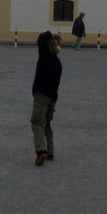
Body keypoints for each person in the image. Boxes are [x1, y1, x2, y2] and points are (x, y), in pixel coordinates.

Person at [30, 31, 63, 166]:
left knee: (37, 123)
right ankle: (50, 151)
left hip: (41, 95)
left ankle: (41, 150)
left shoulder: (44, 56)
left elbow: (42, 40)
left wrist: (50, 34)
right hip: (52, 97)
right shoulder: (57, 61)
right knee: (47, 125)